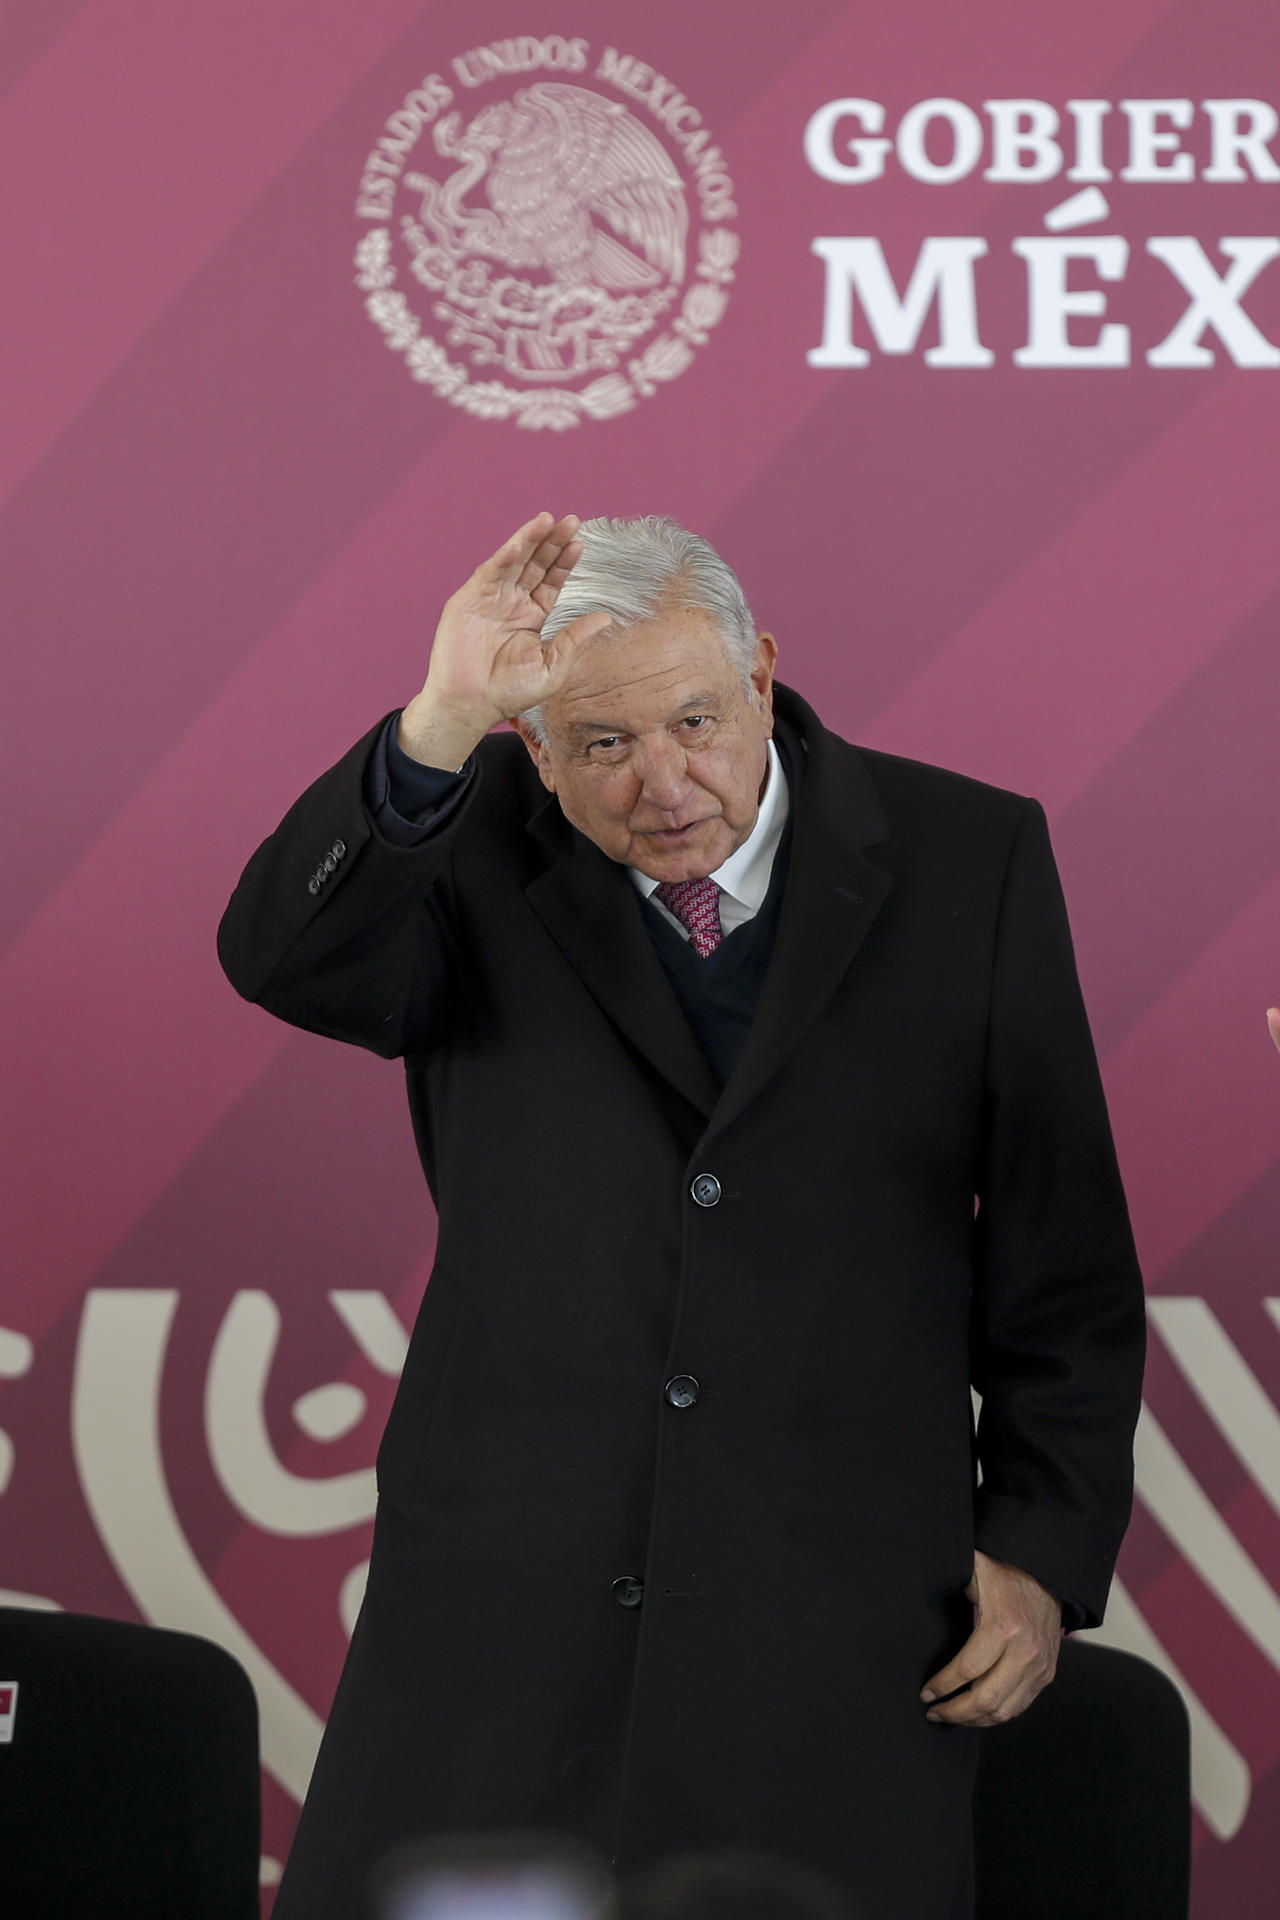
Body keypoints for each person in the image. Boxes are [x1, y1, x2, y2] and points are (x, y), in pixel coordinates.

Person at [218, 513, 1146, 1920]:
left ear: (762, 675)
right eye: (601, 745)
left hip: (834, 1618)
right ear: (534, 743)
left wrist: (1039, 1548)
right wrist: (439, 719)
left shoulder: (973, 857)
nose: (665, 786)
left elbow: (1062, 1263)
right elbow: (283, 961)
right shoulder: (460, 845)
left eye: (699, 723)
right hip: (500, 1617)